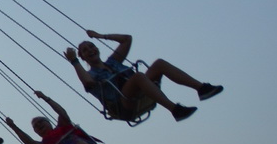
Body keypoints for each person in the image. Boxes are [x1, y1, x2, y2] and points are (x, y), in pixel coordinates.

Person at [64, 30, 222, 124]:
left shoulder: (113, 62)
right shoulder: (91, 74)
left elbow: (127, 39)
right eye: (85, 50)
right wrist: (74, 61)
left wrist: (100, 35)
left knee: (159, 64)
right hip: (123, 106)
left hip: (139, 92)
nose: (90, 50)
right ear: (83, 57)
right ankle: (174, 109)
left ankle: (201, 88)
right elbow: (88, 82)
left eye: (91, 46)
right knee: (138, 77)